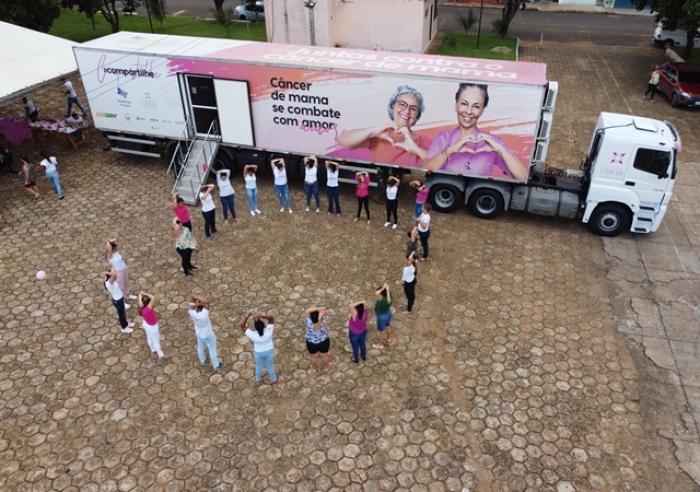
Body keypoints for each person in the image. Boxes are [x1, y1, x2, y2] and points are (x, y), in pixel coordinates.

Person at [422, 84, 527, 181]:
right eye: (464, 103)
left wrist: (500, 150)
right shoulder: (442, 138)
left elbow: (522, 177)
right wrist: (449, 151)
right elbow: (425, 169)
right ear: (456, 104)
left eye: (476, 106)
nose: (468, 111)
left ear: (482, 110)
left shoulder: (493, 141)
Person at [337, 85, 431, 167]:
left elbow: (441, 164)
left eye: (413, 108)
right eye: (402, 104)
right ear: (393, 106)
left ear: (417, 114)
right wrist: (373, 132)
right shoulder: (379, 135)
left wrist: (416, 149)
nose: (407, 111)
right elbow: (343, 141)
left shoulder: (424, 142)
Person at [188, 295, 225, 371]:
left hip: (198, 333)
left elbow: (193, 297)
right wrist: (201, 303)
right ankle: (216, 365)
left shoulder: (191, 311)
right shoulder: (204, 315)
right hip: (208, 335)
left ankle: (202, 360)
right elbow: (206, 302)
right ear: (203, 307)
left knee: (200, 347)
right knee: (212, 350)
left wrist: (197, 304)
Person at [240, 312, 278, 385]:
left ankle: (258, 379)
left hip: (258, 353)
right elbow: (271, 318)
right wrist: (261, 316)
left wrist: (247, 316)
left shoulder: (253, 335)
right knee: (270, 366)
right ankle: (275, 380)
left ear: (255, 328)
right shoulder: (269, 331)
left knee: (258, 366)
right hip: (269, 351)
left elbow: (242, 326)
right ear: (264, 326)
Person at [138, 291, 169, 360]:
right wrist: (145, 293)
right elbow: (153, 298)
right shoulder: (147, 310)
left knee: (149, 337)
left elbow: (140, 298)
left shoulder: (141, 307)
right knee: (156, 341)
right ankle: (161, 355)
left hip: (146, 324)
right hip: (152, 327)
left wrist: (140, 295)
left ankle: (153, 350)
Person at [104, 268, 134, 333]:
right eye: (114, 276)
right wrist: (112, 272)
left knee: (123, 313)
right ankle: (124, 328)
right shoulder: (109, 284)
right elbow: (113, 274)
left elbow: (113, 273)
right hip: (118, 301)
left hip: (120, 299)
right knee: (121, 315)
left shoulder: (110, 280)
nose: (116, 276)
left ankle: (126, 324)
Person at [105, 239, 136, 304]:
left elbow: (113, 242)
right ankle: (122, 302)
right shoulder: (110, 256)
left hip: (124, 269)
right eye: (114, 249)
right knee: (121, 286)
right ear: (111, 249)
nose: (116, 250)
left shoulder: (115, 253)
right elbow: (108, 245)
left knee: (126, 283)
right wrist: (109, 242)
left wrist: (113, 242)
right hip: (119, 272)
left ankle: (128, 295)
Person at [304, 306, 331, 373]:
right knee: (324, 355)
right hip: (323, 341)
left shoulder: (308, 321)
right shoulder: (323, 320)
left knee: (314, 357)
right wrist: (319, 317)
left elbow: (307, 310)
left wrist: (317, 309)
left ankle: (313, 368)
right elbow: (324, 310)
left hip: (311, 343)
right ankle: (327, 367)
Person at [373, 283, 393, 349]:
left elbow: (376, 293)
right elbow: (387, 286)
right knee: (388, 325)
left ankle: (380, 344)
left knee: (382, 331)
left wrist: (382, 288)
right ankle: (387, 339)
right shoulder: (389, 295)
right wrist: (386, 288)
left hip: (381, 316)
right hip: (388, 313)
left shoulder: (383, 300)